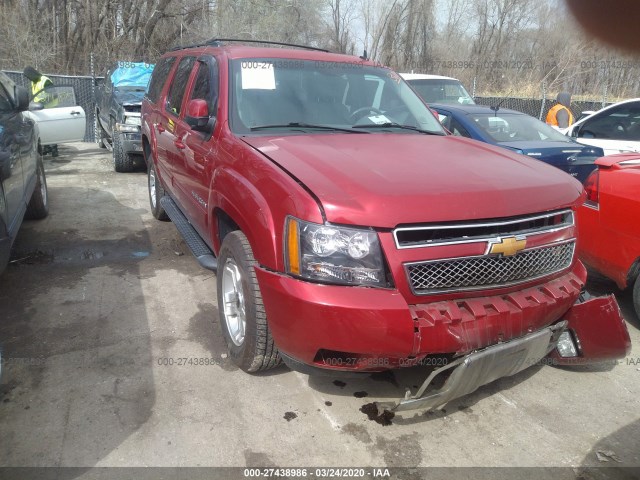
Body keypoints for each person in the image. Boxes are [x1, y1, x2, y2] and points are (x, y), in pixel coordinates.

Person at [23, 66, 58, 156]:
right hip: (39, 108)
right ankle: (47, 147)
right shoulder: (34, 82)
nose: (29, 78)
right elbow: (35, 95)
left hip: (50, 108)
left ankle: (54, 148)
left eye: (29, 76)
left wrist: (41, 101)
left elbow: (53, 94)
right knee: (43, 128)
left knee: (52, 129)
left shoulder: (44, 80)